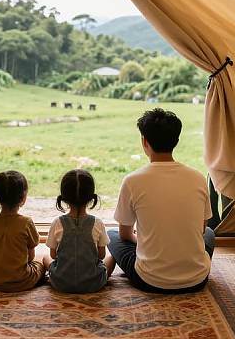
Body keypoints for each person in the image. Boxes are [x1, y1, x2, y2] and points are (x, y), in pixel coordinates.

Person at [107, 108, 215, 293]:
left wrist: (141, 241)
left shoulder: (133, 180)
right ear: (176, 141)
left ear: (144, 142)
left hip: (149, 280)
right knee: (210, 234)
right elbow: (202, 228)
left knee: (111, 235)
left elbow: (125, 234)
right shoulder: (197, 177)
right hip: (197, 280)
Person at [43, 169, 114, 293]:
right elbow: (101, 255)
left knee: (44, 257)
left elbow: (53, 255)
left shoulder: (57, 222)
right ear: (92, 198)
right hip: (93, 283)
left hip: (60, 282)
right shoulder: (98, 223)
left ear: (63, 198)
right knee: (112, 258)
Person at [0, 170, 45, 292]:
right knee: (41, 263)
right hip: (21, 281)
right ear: (23, 197)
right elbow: (30, 257)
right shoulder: (26, 222)